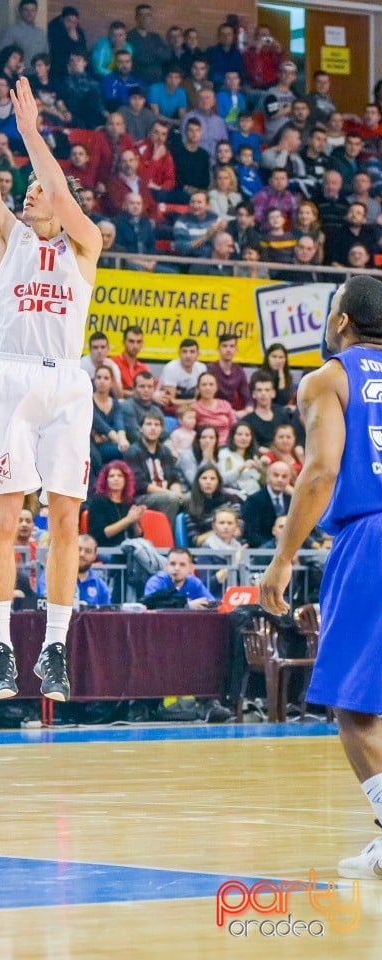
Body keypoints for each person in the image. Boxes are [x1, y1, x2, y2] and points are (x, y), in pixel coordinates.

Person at [0, 59, 102, 703]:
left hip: (68, 383)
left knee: (66, 519)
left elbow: (57, 185)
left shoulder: (85, 244)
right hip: (12, 377)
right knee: (5, 518)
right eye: (28, 189)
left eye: (39, 188)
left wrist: (31, 130)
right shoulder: (4, 237)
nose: (29, 192)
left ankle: (54, 649)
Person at [259, 276, 382, 877]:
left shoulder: (329, 379)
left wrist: (283, 559)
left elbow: (321, 471)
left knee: (354, 704)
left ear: (340, 322)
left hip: (371, 536)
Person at [38, 533, 112, 605]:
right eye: (78, 549)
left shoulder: (100, 586)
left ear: (94, 556)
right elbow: (45, 602)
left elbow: (107, 614)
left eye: (88, 551)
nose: (82, 554)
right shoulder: (51, 576)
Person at [87, 460, 145, 548]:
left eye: (120, 476)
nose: (116, 479)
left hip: (129, 547)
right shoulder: (98, 501)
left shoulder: (130, 502)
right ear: (106, 480)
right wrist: (128, 519)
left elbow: (138, 535)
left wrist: (135, 522)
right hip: (106, 549)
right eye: (111, 476)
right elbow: (101, 535)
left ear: (126, 480)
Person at [242, 459, 292, 547]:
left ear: (289, 479)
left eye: (284, 476)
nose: (280, 480)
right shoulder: (253, 501)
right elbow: (251, 533)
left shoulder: (291, 500)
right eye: (276, 475)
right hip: (263, 550)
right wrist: (272, 547)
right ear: (268, 477)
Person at [143, 546, 215, 608]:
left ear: (190, 568)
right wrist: (187, 606)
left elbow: (211, 602)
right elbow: (149, 604)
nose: (177, 568)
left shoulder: (195, 582)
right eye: (172, 564)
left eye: (182, 564)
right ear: (166, 566)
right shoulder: (156, 581)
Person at [91, 365, 129, 464]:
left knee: (129, 451)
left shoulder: (116, 404)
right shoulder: (88, 401)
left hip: (107, 442)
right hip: (91, 444)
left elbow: (119, 424)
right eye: (98, 377)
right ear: (94, 380)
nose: (102, 381)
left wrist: (123, 440)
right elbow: (98, 423)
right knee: (94, 456)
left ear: (112, 382)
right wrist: (117, 439)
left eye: (106, 378)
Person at [192, 372, 236, 446]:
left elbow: (234, 426)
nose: (208, 388)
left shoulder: (225, 404)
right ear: (198, 388)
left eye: (211, 384)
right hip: (206, 445)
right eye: (204, 385)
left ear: (216, 387)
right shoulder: (194, 408)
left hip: (228, 444)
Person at [111, 326, 150, 398]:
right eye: (131, 341)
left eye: (139, 342)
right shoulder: (113, 363)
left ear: (142, 344)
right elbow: (110, 390)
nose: (135, 346)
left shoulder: (143, 368)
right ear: (123, 342)